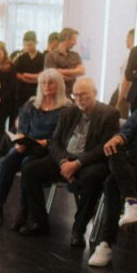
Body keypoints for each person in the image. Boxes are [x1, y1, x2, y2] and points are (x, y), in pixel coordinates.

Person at [19, 77, 119, 246]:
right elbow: (55, 141)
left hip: (89, 162)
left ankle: (78, 231)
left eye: (84, 95)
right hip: (65, 158)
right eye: (76, 95)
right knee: (30, 170)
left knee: (93, 177)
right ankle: (39, 222)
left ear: (94, 93)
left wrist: (77, 164)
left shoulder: (109, 114)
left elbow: (103, 148)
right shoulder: (69, 112)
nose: (79, 99)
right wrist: (64, 162)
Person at [0, 69, 68, 228]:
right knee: (9, 160)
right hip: (28, 145)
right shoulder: (31, 104)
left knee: (27, 165)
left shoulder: (66, 108)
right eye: (43, 82)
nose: (47, 86)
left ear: (59, 85)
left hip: (48, 149)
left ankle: (23, 211)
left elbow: (64, 136)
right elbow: (22, 128)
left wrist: (47, 141)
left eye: (51, 82)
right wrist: (19, 141)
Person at [88, 104, 137, 266]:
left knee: (111, 182)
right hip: (131, 169)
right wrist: (117, 139)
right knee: (113, 148)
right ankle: (131, 202)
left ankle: (105, 244)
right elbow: (126, 132)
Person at [44, 27, 84, 95]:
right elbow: (52, 77)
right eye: (74, 40)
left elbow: (81, 71)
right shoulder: (50, 56)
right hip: (55, 95)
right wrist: (73, 74)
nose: (75, 43)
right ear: (66, 39)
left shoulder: (75, 55)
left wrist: (60, 71)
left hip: (71, 94)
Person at [14, 31, 45, 109]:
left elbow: (42, 74)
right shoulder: (21, 57)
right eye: (26, 45)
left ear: (36, 42)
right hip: (23, 91)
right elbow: (17, 74)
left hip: (37, 90)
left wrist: (26, 75)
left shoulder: (42, 57)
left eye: (30, 44)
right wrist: (31, 79)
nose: (28, 47)